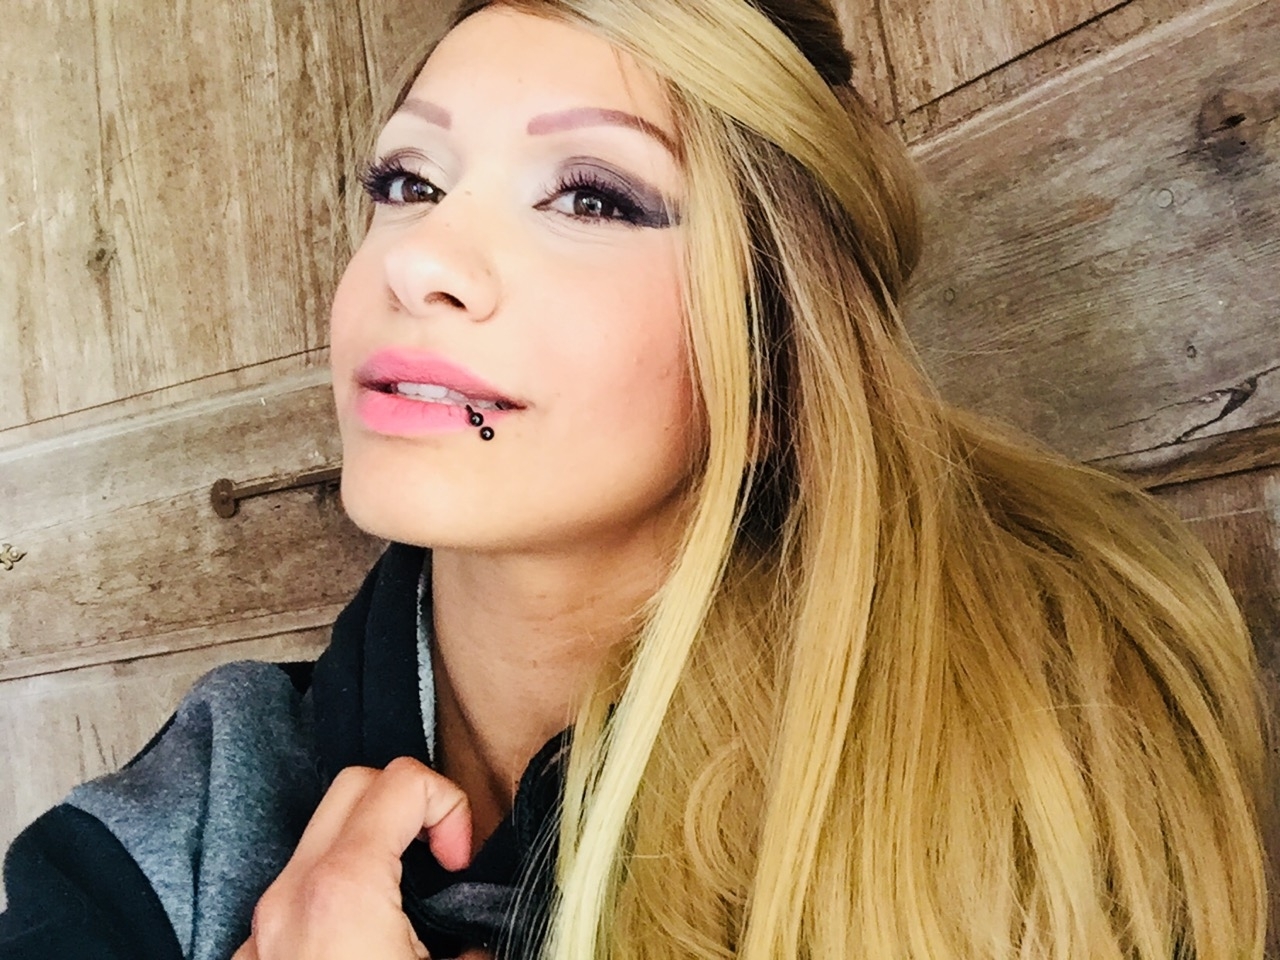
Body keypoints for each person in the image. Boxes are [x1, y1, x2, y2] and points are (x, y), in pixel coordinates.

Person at [0, 0, 1270, 957]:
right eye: (407, 181)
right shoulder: (187, 819)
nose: (419, 258)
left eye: (593, 199)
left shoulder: (1047, 745)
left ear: (773, 370)